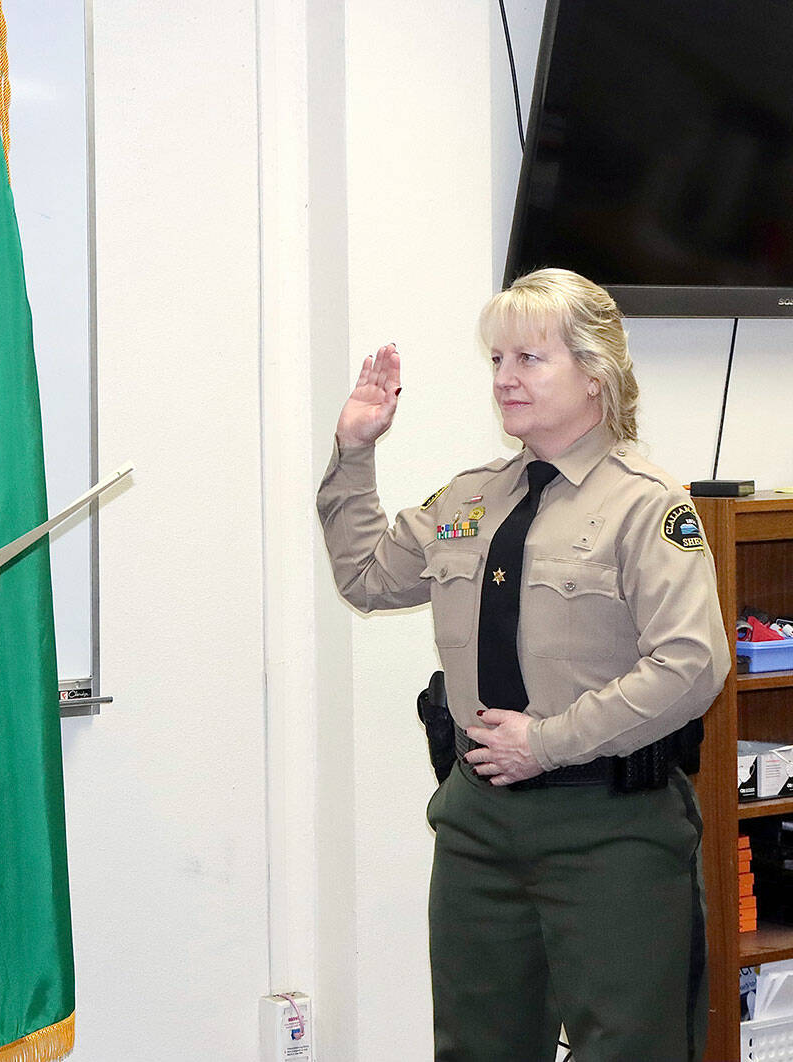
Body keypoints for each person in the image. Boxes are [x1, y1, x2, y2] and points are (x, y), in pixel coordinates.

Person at [317, 268, 729, 1061]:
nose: (505, 379)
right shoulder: (471, 499)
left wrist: (546, 742)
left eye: (530, 359)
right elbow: (365, 576)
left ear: (596, 374)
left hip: (610, 830)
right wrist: (353, 452)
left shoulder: (648, 506)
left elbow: (690, 664)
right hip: (478, 827)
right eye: (497, 360)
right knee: (478, 1047)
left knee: (630, 1047)